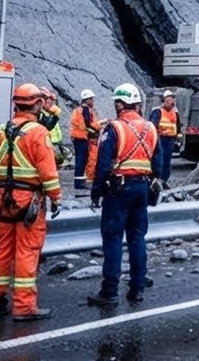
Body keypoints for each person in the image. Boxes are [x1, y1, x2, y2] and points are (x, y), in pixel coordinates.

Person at [0, 83, 61, 321]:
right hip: (28, 203)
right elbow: (48, 172)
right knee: (27, 252)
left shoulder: (0, 131)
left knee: (2, 251)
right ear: (37, 104)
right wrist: (56, 198)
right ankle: (24, 307)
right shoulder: (38, 133)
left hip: (3, 201)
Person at [88, 83, 160, 307]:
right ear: (137, 104)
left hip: (118, 190)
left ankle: (109, 292)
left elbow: (101, 165)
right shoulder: (151, 128)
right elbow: (159, 162)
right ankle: (137, 289)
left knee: (113, 239)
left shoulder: (114, 128)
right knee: (137, 239)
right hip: (142, 189)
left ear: (119, 104)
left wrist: (96, 193)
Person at [70, 89, 100, 190]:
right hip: (81, 138)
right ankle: (79, 183)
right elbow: (88, 125)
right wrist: (98, 126)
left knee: (81, 160)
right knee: (81, 161)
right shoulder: (84, 109)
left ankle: (79, 182)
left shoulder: (80, 110)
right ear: (86, 100)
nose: (93, 101)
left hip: (80, 137)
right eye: (91, 99)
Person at [148, 90, 178, 184]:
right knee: (159, 158)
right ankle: (157, 178)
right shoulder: (158, 111)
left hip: (170, 139)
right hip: (160, 138)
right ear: (164, 100)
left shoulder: (174, 112)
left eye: (171, 100)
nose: (170, 102)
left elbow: (177, 124)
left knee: (167, 160)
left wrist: (178, 135)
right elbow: (152, 125)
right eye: (168, 100)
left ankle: (164, 180)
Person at [38, 88, 68, 168]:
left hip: (56, 142)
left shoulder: (48, 112)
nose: (51, 102)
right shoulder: (40, 114)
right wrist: (55, 116)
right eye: (48, 99)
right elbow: (48, 126)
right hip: (49, 143)